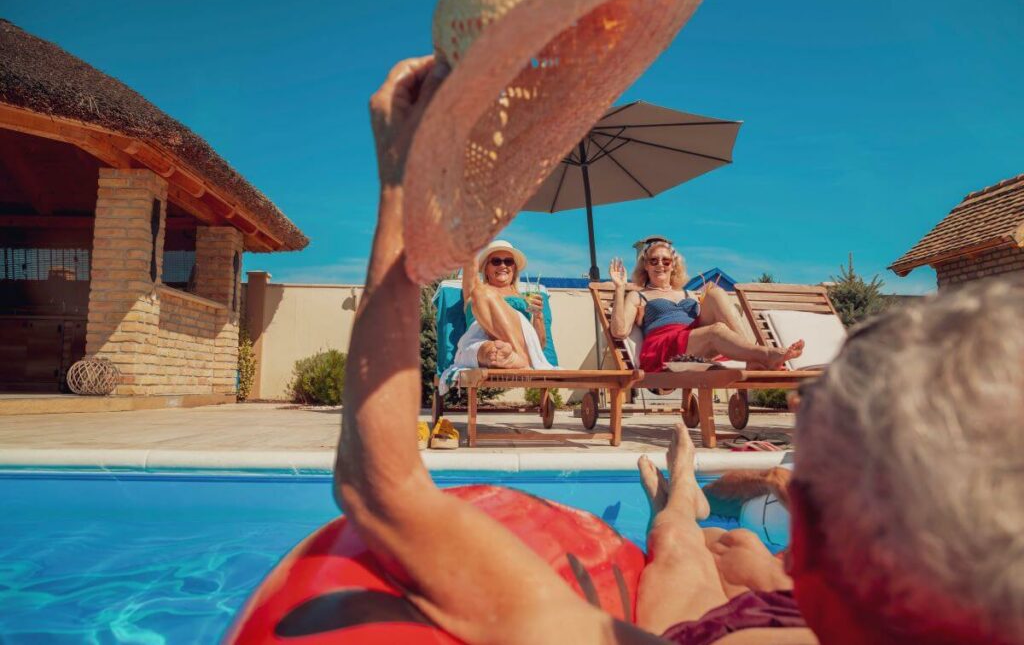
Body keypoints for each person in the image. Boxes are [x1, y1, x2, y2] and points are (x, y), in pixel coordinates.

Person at [335, 55, 1023, 645]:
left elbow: (383, 488)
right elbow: (624, 332)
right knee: (750, 548)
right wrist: (624, 296)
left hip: (744, 562)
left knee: (689, 551)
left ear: (813, 538)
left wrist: (403, 182)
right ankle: (697, 480)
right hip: (670, 358)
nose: (662, 261)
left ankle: (681, 491)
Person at [608, 243, 804, 372]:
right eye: (654, 261)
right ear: (646, 266)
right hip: (664, 347)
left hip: (693, 339)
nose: (660, 265)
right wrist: (619, 288)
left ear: (673, 266)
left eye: (666, 261)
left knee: (715, 292)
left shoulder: (688, 294)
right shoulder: (638, 295)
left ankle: (751, 357)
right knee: (716, 331)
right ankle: (766, 354)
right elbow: (619, 331)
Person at [454, 240, 552, 369]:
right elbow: (470, 265)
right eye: (496, 261)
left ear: (514, 269)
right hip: (478, 341)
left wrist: (538, 316)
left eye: (508, 262)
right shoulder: (475, 291)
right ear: (486, 269)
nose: (503, 266)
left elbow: (538, 346)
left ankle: (519, 356)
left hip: (520, 345)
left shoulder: (526, 299)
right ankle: (508, 356)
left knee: (482, 293)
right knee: (491, 351)